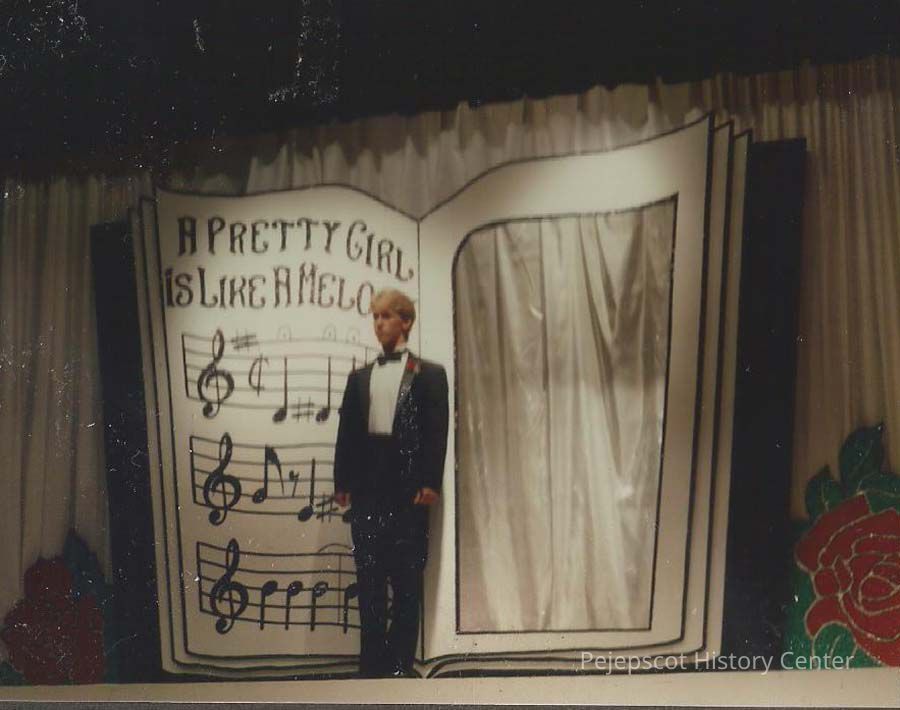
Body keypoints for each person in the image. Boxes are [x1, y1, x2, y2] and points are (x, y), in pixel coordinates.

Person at [333, 288, 449, 678]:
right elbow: (347, 433)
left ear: (406, 321)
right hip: (368, 488)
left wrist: (430, 481)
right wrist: (342, 480)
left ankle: (400, 664)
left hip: (408, 490)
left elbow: (437, 431)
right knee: (369, 578)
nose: (379, 323)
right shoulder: (359, 377)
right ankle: (372, 665)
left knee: (406, 579)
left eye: (386, 316)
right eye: (375, 317)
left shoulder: (430, 375)